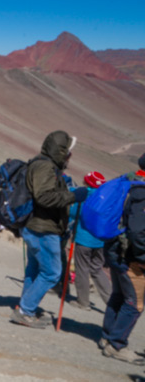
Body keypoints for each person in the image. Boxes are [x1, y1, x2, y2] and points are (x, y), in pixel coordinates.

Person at [11, 131, 88, 329]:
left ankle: (25, 306)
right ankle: (26, 310)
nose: (70, 155)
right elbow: (44, 197)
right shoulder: (45, 167)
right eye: (68, 151)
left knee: (35, 269)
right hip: (43, 228)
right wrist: (73, 196)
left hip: (36, 226)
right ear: (61, 151)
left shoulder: (42, 164)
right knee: (52, 273)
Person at [100, 153, 145, 363]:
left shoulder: (130, 182)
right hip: (131, 257)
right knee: (134, 304)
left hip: (116, 249)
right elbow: (138, 233)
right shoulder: (142, 193)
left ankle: (107, 337)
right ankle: (117, 345)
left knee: (118, 295)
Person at [68, 171, 112, 311]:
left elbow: (73, 214)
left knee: (82, 269)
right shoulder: (106, 198)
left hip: (83, 238)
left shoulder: (83, 195)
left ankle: (83, 302)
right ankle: (111, 302)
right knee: (97, 269)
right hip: (100, 240)